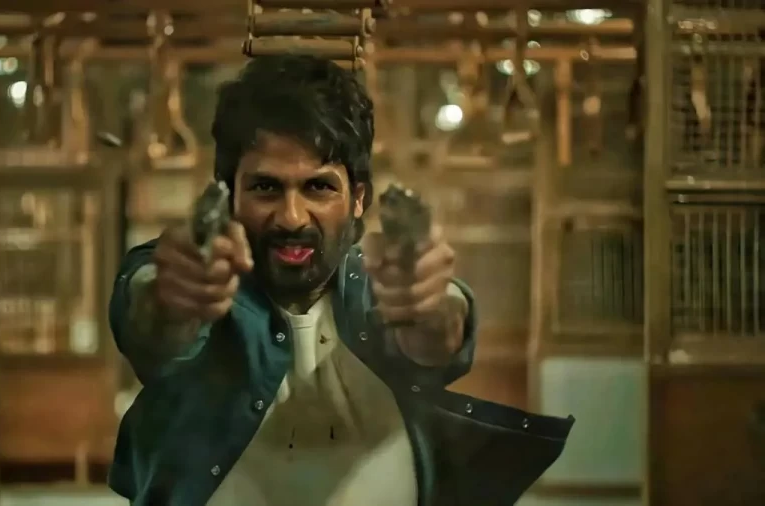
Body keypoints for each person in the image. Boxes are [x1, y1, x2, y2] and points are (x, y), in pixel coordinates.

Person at [108, 55, 573, 506]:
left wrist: (432, 305)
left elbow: (440, 330)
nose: (292, 218)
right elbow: (152, 313)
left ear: (358, 198)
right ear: (230, 195)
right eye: (266, 187)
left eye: (319, 187)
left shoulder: (381, 284)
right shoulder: (193, 276)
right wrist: (172, 297)